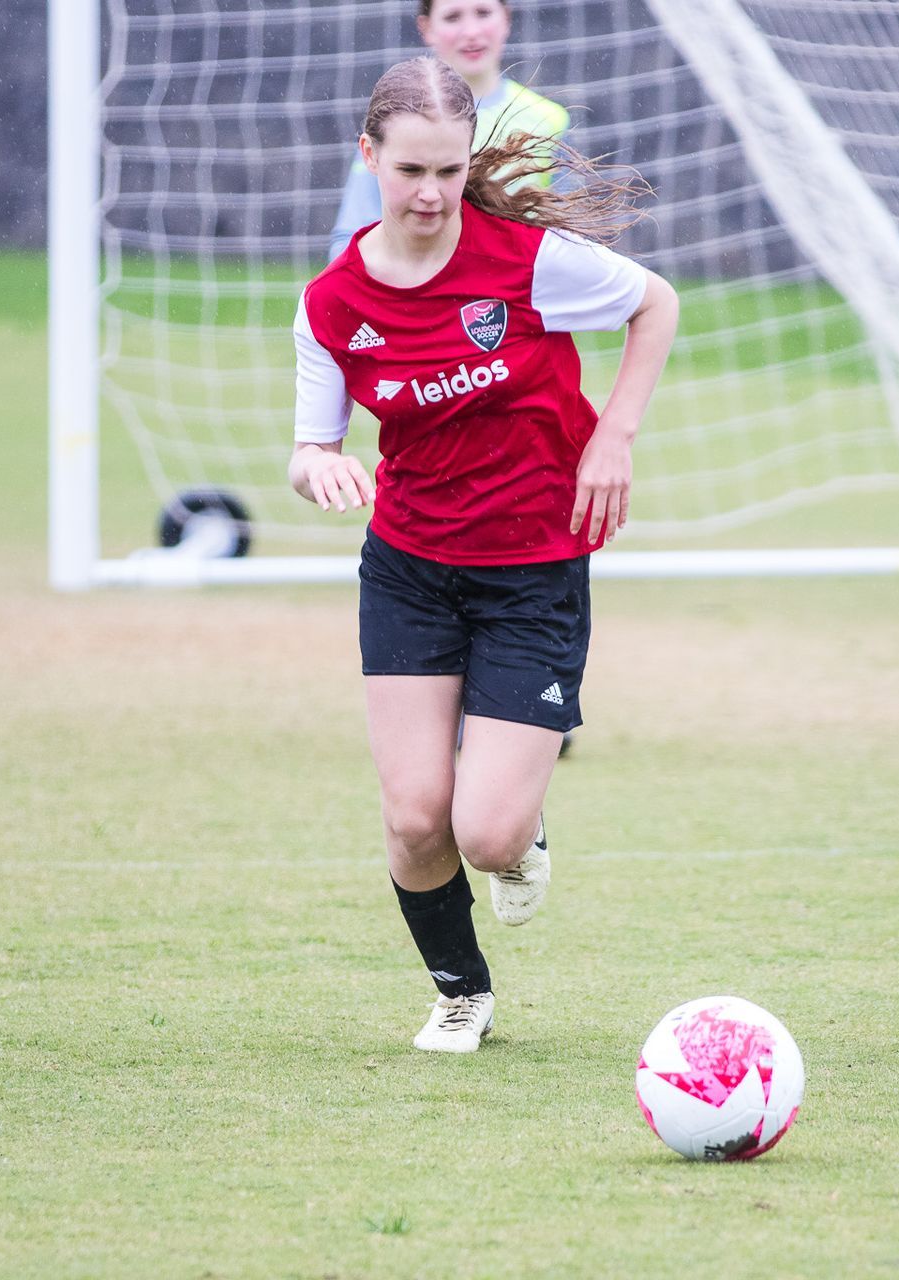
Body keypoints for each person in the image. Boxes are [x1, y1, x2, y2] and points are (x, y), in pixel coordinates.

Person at [293, 56, 677, 1051]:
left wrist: (614, 433)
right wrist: (318, 467)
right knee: (417, 815)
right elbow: (313, 442)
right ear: (368, 155)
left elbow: (655, 303)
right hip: (410, 568)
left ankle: (520, 828)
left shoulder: (527, 262)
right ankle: (462, 990)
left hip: (533, 567)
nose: (429, 195)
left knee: (487, 834)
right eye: (409, 171)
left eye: (449, 173)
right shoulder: (332, 303)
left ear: (470, 166)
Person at [327, 0, 568, 261]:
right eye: (453, 17)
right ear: (426, 27)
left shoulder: (549, 119)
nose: (471, 32)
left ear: (506, 18)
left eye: (483, 13)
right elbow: (349, 241)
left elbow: (568, 237)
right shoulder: (395, 116)